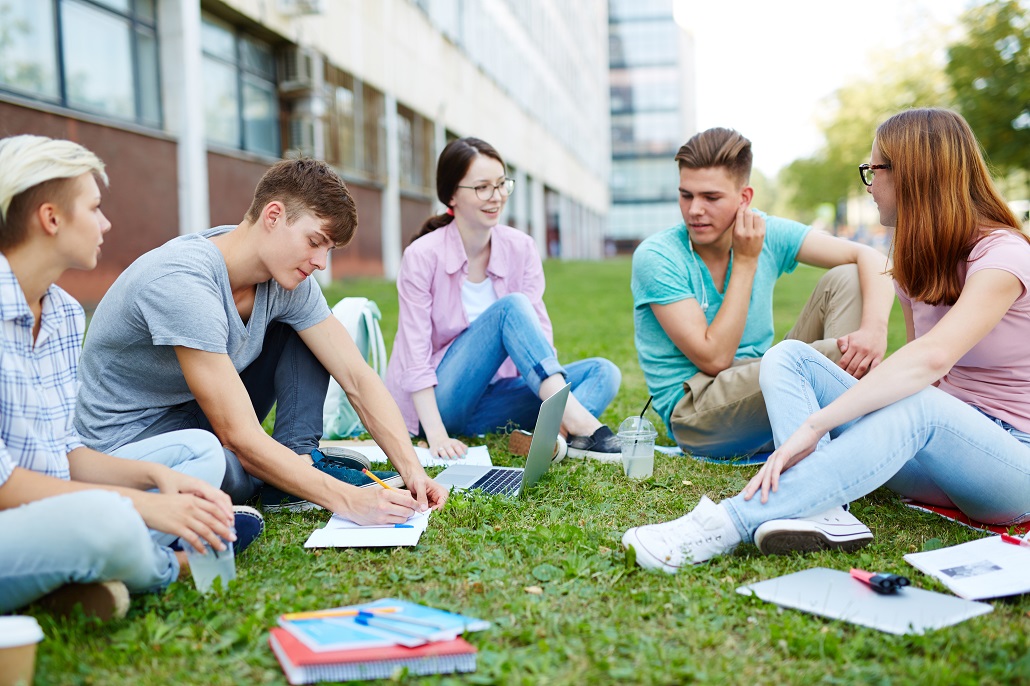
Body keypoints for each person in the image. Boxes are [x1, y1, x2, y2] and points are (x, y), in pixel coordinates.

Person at [622, 108, 1030, 572]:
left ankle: (726, 523)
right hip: (938, 460)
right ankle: (824, 510)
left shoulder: (1005, 257)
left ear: (915, 174)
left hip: (1012, 467)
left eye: (874, 171)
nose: (869, 185)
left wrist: (818, 425)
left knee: (921, 409)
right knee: (789, 358)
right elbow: (931, 385)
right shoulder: (920, 258)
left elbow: (931, 360)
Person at [74, 158, 448, 522]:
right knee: (228, 472)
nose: (321, 262)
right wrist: (349, 501)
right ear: (273, 216)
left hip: (198, 414)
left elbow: (357, 377)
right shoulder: (183, 281)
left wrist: (413, 471)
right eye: (315, 241)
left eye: (329, 250)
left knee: (308, 330)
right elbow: (237, 436)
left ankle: (295, 460)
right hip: (133, 443)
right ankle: (288, 475)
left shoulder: (289, 279)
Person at [0, 135, 261, 620]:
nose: (106, 223)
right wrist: (144, 507)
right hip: (13, 521)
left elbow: (64, 453)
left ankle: (72, 577)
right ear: (51, 218)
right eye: (94, 208)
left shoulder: (61, 314)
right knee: (110, 520)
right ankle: (166, 564)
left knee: (197, 455)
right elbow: (5, 488)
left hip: (56, 510)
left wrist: (155, 478)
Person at [631, 126, 896, 462]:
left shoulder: (767, 230)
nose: (695, 209)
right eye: (686, 195)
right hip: (696, 411)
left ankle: (838, 422)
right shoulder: (657, 256)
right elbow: (714, 359)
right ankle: (856, 429)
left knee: (849, 276)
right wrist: (744, 262)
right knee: (828, 358)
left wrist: (874, 330)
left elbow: (869, 257)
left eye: (710, 197)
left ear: (744, 198)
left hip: (763, 380)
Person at [385, 137, 622, 460]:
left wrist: (545, 380)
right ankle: (580, 426)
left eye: (501, 185)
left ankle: (557, 437)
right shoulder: (422, 255)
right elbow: (414, 354)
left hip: (490, 403)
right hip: (440, 402)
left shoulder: (520, 248)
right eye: (482, 187)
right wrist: (437, 435)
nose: (496, 197)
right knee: (510, 308)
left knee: (603, 372)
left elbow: (538, 335)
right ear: (451, 194)